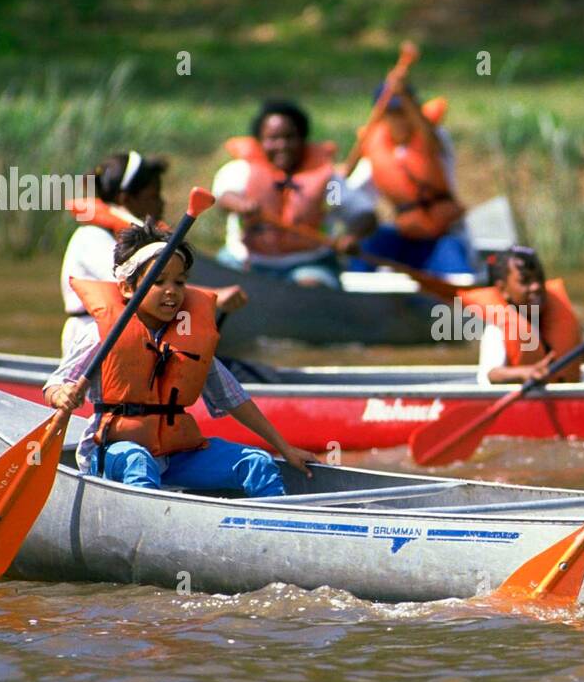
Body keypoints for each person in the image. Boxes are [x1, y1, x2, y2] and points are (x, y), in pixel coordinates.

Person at [45, 223, 316, 495]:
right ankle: (148, 529)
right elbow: (56, 383)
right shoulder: (101, 335)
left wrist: (285, 448)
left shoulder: (187, 336)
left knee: (256, 462)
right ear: (127, 288)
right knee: (139, 464)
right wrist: (62, 394)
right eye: (159, 281)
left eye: (179, 282)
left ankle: (270, 529)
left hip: (175, 455)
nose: (171, 291)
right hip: (115, 454)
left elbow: (235, 399)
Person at [61, 151, 246, 354]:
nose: (161, 202)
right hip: (94, 340)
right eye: (153, 196)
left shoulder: (141, 241)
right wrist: (213, 297)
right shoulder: (91, 237)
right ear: (125, 198)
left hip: (137, 338)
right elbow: (135, 286)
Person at [212, 100, 377, 288]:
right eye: (273, 138)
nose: (282, 145)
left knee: (309, 286)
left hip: (308, 264)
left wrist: (351, 237)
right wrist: (242, 205)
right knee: (220, 287)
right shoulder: (241, 171)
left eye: (290, 137)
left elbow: (362, 213)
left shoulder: (328, 183)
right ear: (259, 142)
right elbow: (224, 198)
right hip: (245, 262)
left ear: (303, 140)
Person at [347, 79, 475, 276]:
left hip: (444, 236)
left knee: (459, 276)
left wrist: (404, 95)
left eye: (405, 111)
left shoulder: (437, 140)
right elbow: (349, 193)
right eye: (393, 113)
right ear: (381, 117)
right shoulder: (374, 152)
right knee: (366, 249)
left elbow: (430, 136)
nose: (401, 119)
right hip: (404, 237)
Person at [460, 245, 584, 385]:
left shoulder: (559, 323)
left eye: (539, 279)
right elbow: (493, 374)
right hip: (519, 411)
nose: (536, 286)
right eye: (525, 281)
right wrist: (526, 373)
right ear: (503, 290)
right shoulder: (497, 328)